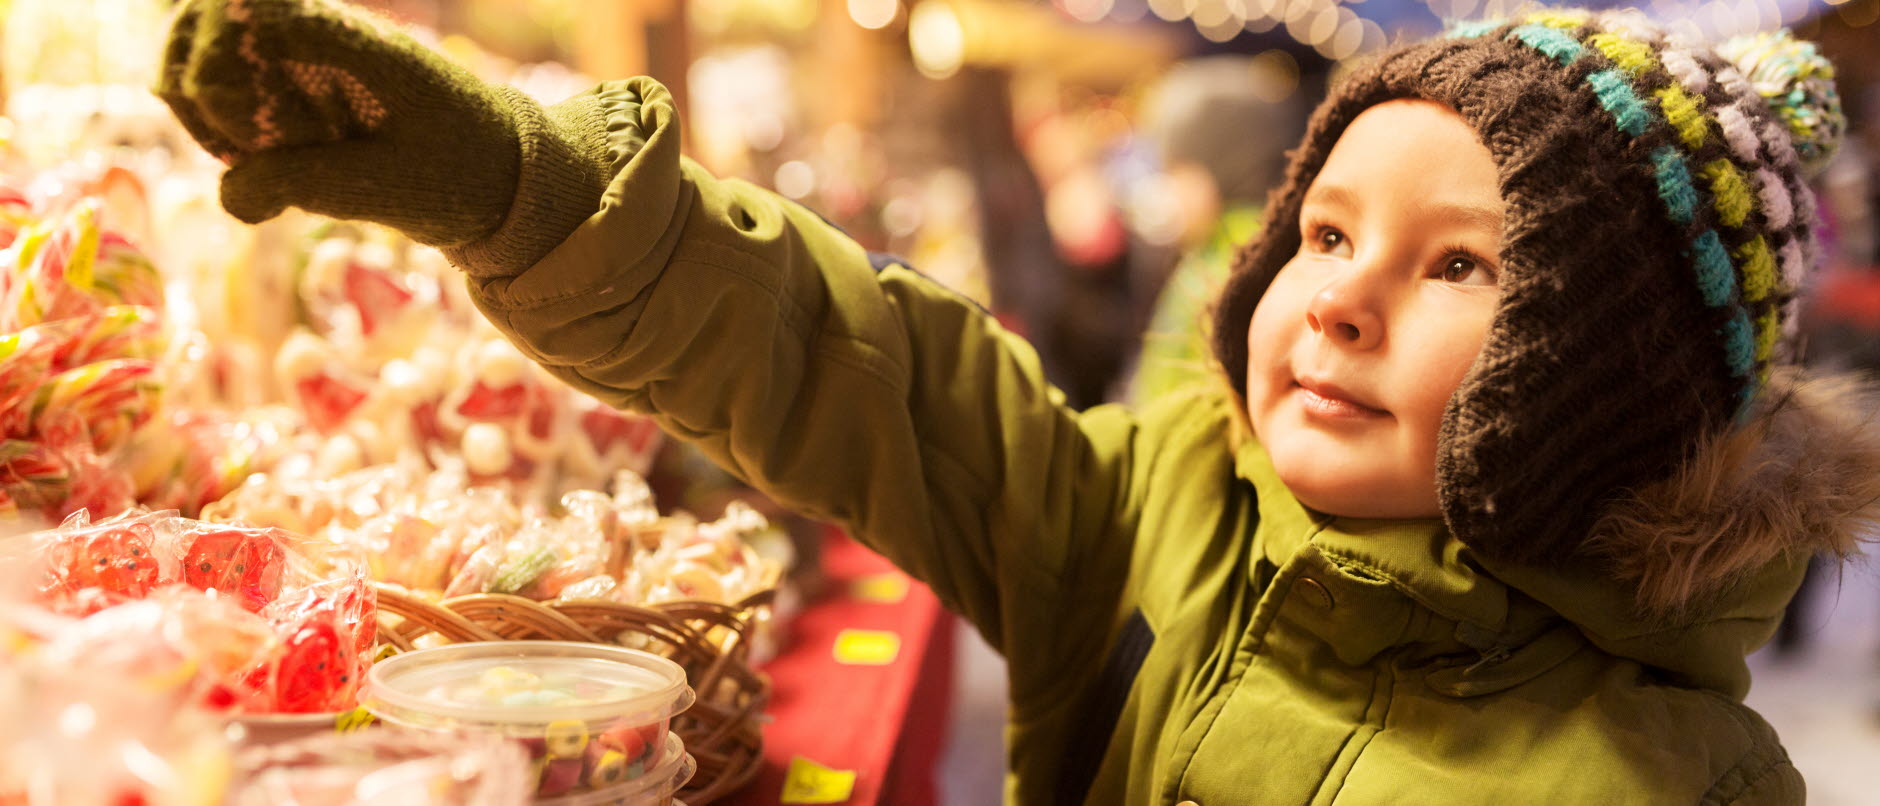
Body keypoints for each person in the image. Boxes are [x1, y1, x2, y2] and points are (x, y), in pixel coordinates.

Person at [158, 2, 1877, 803]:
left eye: (1459, 267)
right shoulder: (1152, 509)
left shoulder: (1660, 782)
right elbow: (862, 368)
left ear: (1607, 383)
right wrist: (528, 191)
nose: (1340, 290)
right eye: (1329, 230)